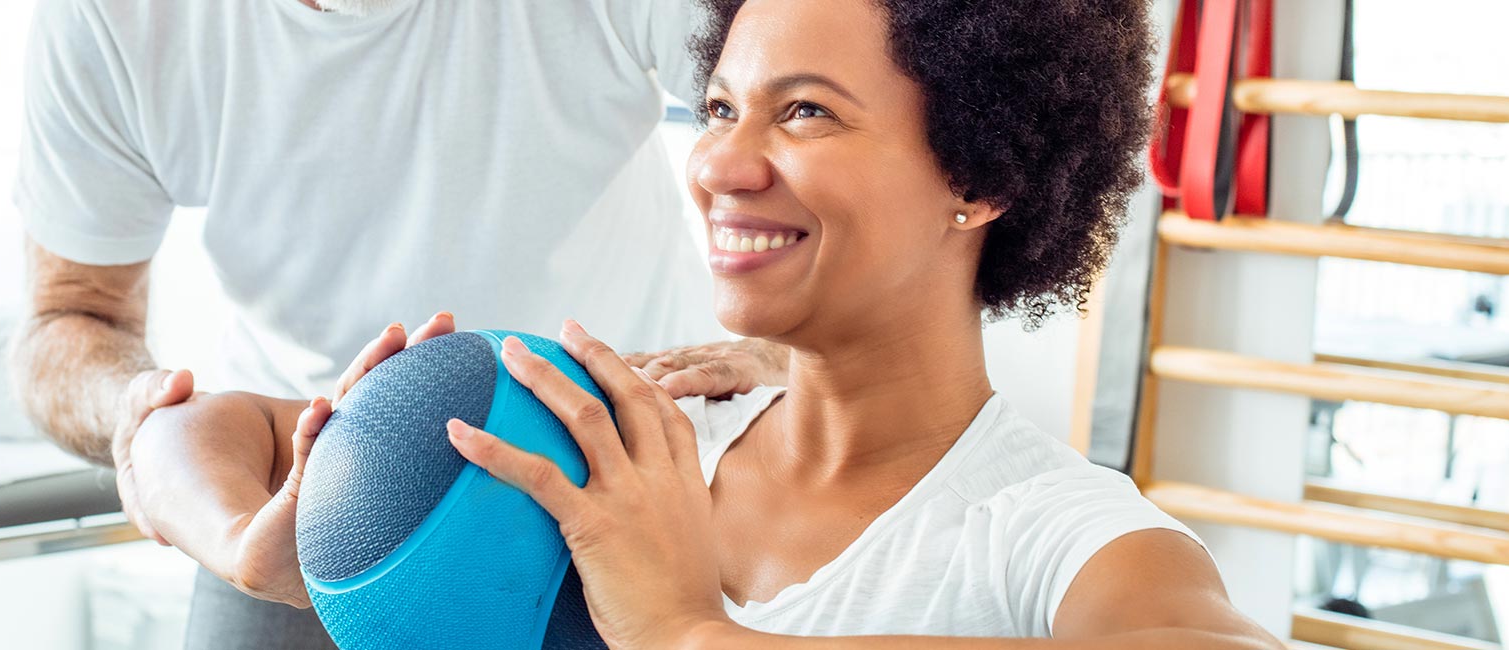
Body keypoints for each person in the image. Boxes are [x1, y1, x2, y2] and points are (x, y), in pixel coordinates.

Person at [289, 0, 1289, 646]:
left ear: (982, 173)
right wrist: (332, 469)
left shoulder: (1056, 534)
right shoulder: (636, 440)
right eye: (720, 108)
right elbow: (232, 444)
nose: (720, 166)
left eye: (804, 111)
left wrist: (687, 634)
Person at [5, 0, 785, 646]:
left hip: (616, 486)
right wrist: (141, 427)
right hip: (307, 503)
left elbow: (816, 133)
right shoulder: (113, 18)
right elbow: (70, 318)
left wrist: (796, 353)